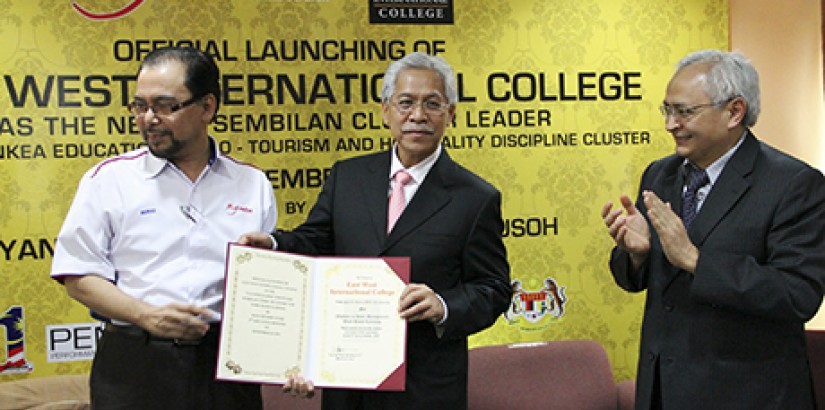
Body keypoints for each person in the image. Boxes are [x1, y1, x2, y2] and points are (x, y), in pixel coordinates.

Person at [240, 51, 511, 410]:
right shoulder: (347, 177)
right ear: (386, 110)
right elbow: (316, 242)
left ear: (451, 113)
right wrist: (274, 243)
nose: (417, 115)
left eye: (432, 103)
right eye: (405, 102)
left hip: (424, 386)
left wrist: (444, 305)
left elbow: (493, 289)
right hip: (346, 381)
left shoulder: (475, 198)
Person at [50, 46, 310, 409]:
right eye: (140, 106)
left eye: (165, 105)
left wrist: (292, 355)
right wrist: (147, 316)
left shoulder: (251, 183)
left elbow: (264, 288)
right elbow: (78, 276)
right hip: (135, 363)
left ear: (207, 107)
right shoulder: (109, 180)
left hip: (224, 368)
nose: (149, 119)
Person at [601, 49, 825, 410]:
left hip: (746, 395)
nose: (670, 124)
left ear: (734, 111)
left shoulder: (792, 184)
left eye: (684, 112)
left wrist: (696, 260)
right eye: (667, 110)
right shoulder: (660, 174)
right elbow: (638, 279)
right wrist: (636, 256)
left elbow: (798, 294)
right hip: (663, 390)